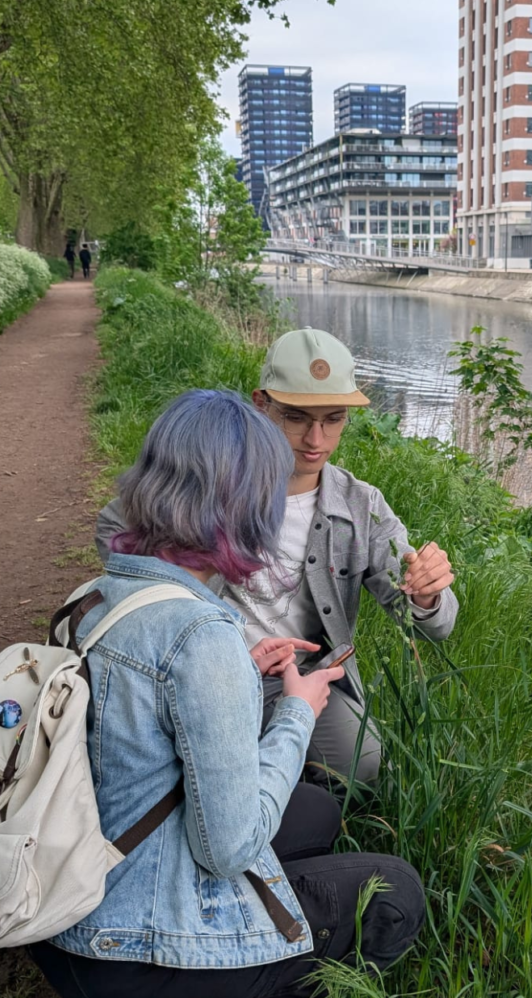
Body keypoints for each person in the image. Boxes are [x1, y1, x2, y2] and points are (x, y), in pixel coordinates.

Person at [32, 389, 424, 998]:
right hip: (131, 951)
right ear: (245, 506)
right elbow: (227, 848)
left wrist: (238, 669)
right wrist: (297, 713)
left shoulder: (97, 595)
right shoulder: (200, 634)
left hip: (69, 901)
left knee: (316, 810)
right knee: (395, 890)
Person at [96, 328, 458, 787]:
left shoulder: (361, 506)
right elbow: (115, 527)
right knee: (177, 772)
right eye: (295, 417)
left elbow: (436, 626)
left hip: (303, 676)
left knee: (360, 767)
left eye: (334, 419)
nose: (315, 439)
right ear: (260, 403)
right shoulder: (206, 483)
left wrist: (427, 595)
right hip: (199, 668)